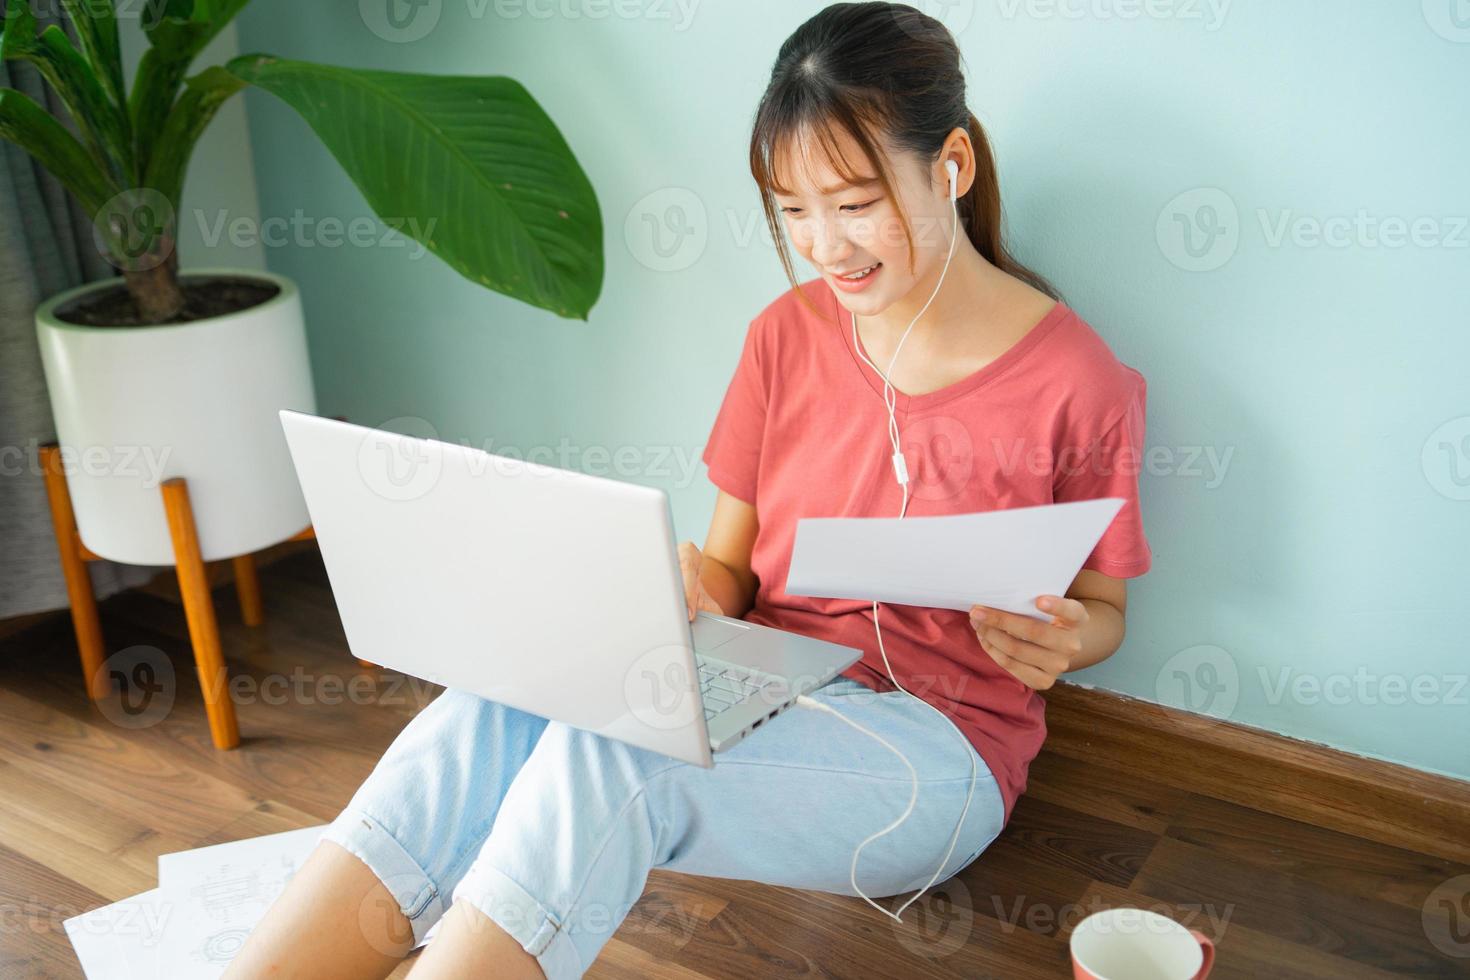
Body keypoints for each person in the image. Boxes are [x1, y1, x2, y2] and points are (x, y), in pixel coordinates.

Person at [225, 3, 1151, 978]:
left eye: (853, 200)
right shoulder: (784, 338)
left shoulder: (1079, 380)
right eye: (794, 210)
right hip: (769, 673)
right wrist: (680, 590)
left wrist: (1062, 639)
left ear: (951, 165)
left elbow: (1103, 613)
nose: (826, 244)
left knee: (616, 760)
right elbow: (731, 577)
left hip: (939, 742)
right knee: (493, 704)